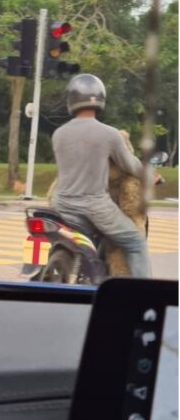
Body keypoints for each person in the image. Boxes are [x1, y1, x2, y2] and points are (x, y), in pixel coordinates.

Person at [51, 73, 150, 278]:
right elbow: (130, 165)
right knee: (135, 242)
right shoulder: (110, 134)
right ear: (100, 98)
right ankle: (144, 294)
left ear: (71, 100)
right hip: (95, 207)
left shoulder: (58, 134)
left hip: (61, 205)